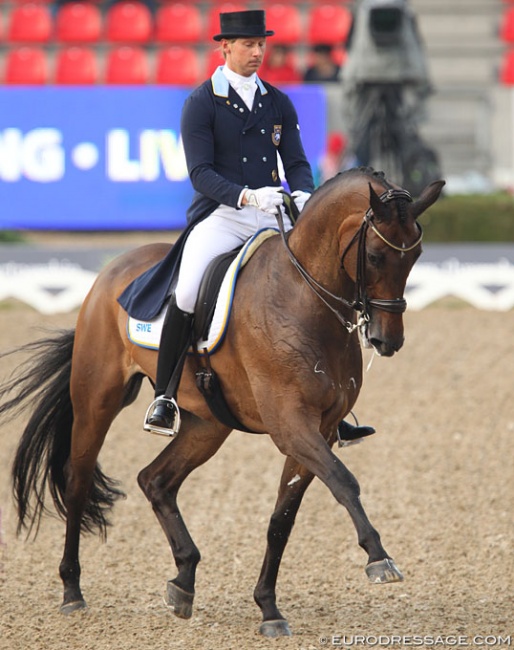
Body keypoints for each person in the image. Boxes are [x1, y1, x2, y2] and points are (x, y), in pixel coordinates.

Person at [136, 9, 373, 442]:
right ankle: (165, 395)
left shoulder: (277, 101)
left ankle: (333, 404)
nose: (257, 52)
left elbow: (298, 163)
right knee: (188, 289)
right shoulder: (201, 102)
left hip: (273, 212)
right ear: (224, 47)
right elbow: (200, 173)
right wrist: (245, 195)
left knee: (323, 278)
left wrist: (303, 193)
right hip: (224, 215)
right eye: (248, 45)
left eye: (261, 44)